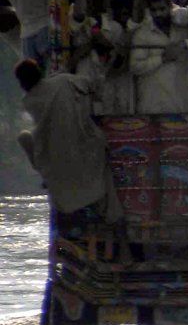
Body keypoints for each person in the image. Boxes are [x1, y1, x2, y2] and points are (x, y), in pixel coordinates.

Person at [14, 59, 126, 246]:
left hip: (57, 163)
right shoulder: (64, 81)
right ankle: (124, 250)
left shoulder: (29, 102)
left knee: (24, 136)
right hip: (89, 151)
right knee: (109, 199)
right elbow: (91, 83)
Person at [130, 0, 188, 113]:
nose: (158, 14)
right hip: (152, 102)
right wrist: (162, 58)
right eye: (153, 10)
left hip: (181, 100)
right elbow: (135, 67)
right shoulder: (142, 33)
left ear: (170, 6)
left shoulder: (183, 28)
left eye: (162, 9)